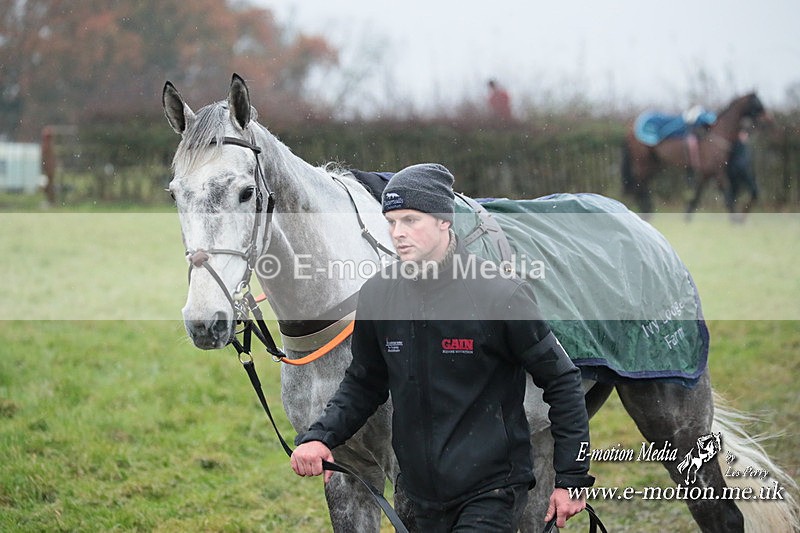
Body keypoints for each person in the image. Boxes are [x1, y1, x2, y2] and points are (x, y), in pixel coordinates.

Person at [290, 163, 594, 531]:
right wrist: (321, 437)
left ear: (444, 222)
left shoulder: (499, 293)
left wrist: (572, 477)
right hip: (418, 496)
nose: (398, 234)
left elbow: (562, 381)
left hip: (492, 491)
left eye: (411, 220)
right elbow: (364, 382)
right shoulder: (379, 294)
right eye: (392, 222)